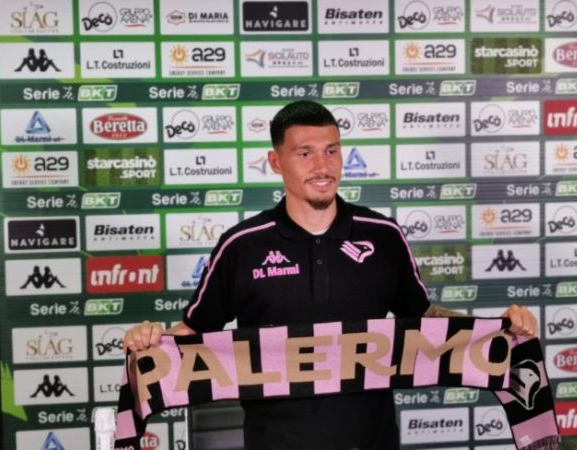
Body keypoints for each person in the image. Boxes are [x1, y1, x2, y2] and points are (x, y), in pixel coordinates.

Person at [124, 100, 538, 450]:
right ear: (276, 161)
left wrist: (498, 330)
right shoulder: (242, 245)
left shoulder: (383, 235)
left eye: (332, 151)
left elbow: (427, 318)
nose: (322, 166)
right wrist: (148, 342)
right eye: (304, 153)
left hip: (371, 441)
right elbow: (193, 332)